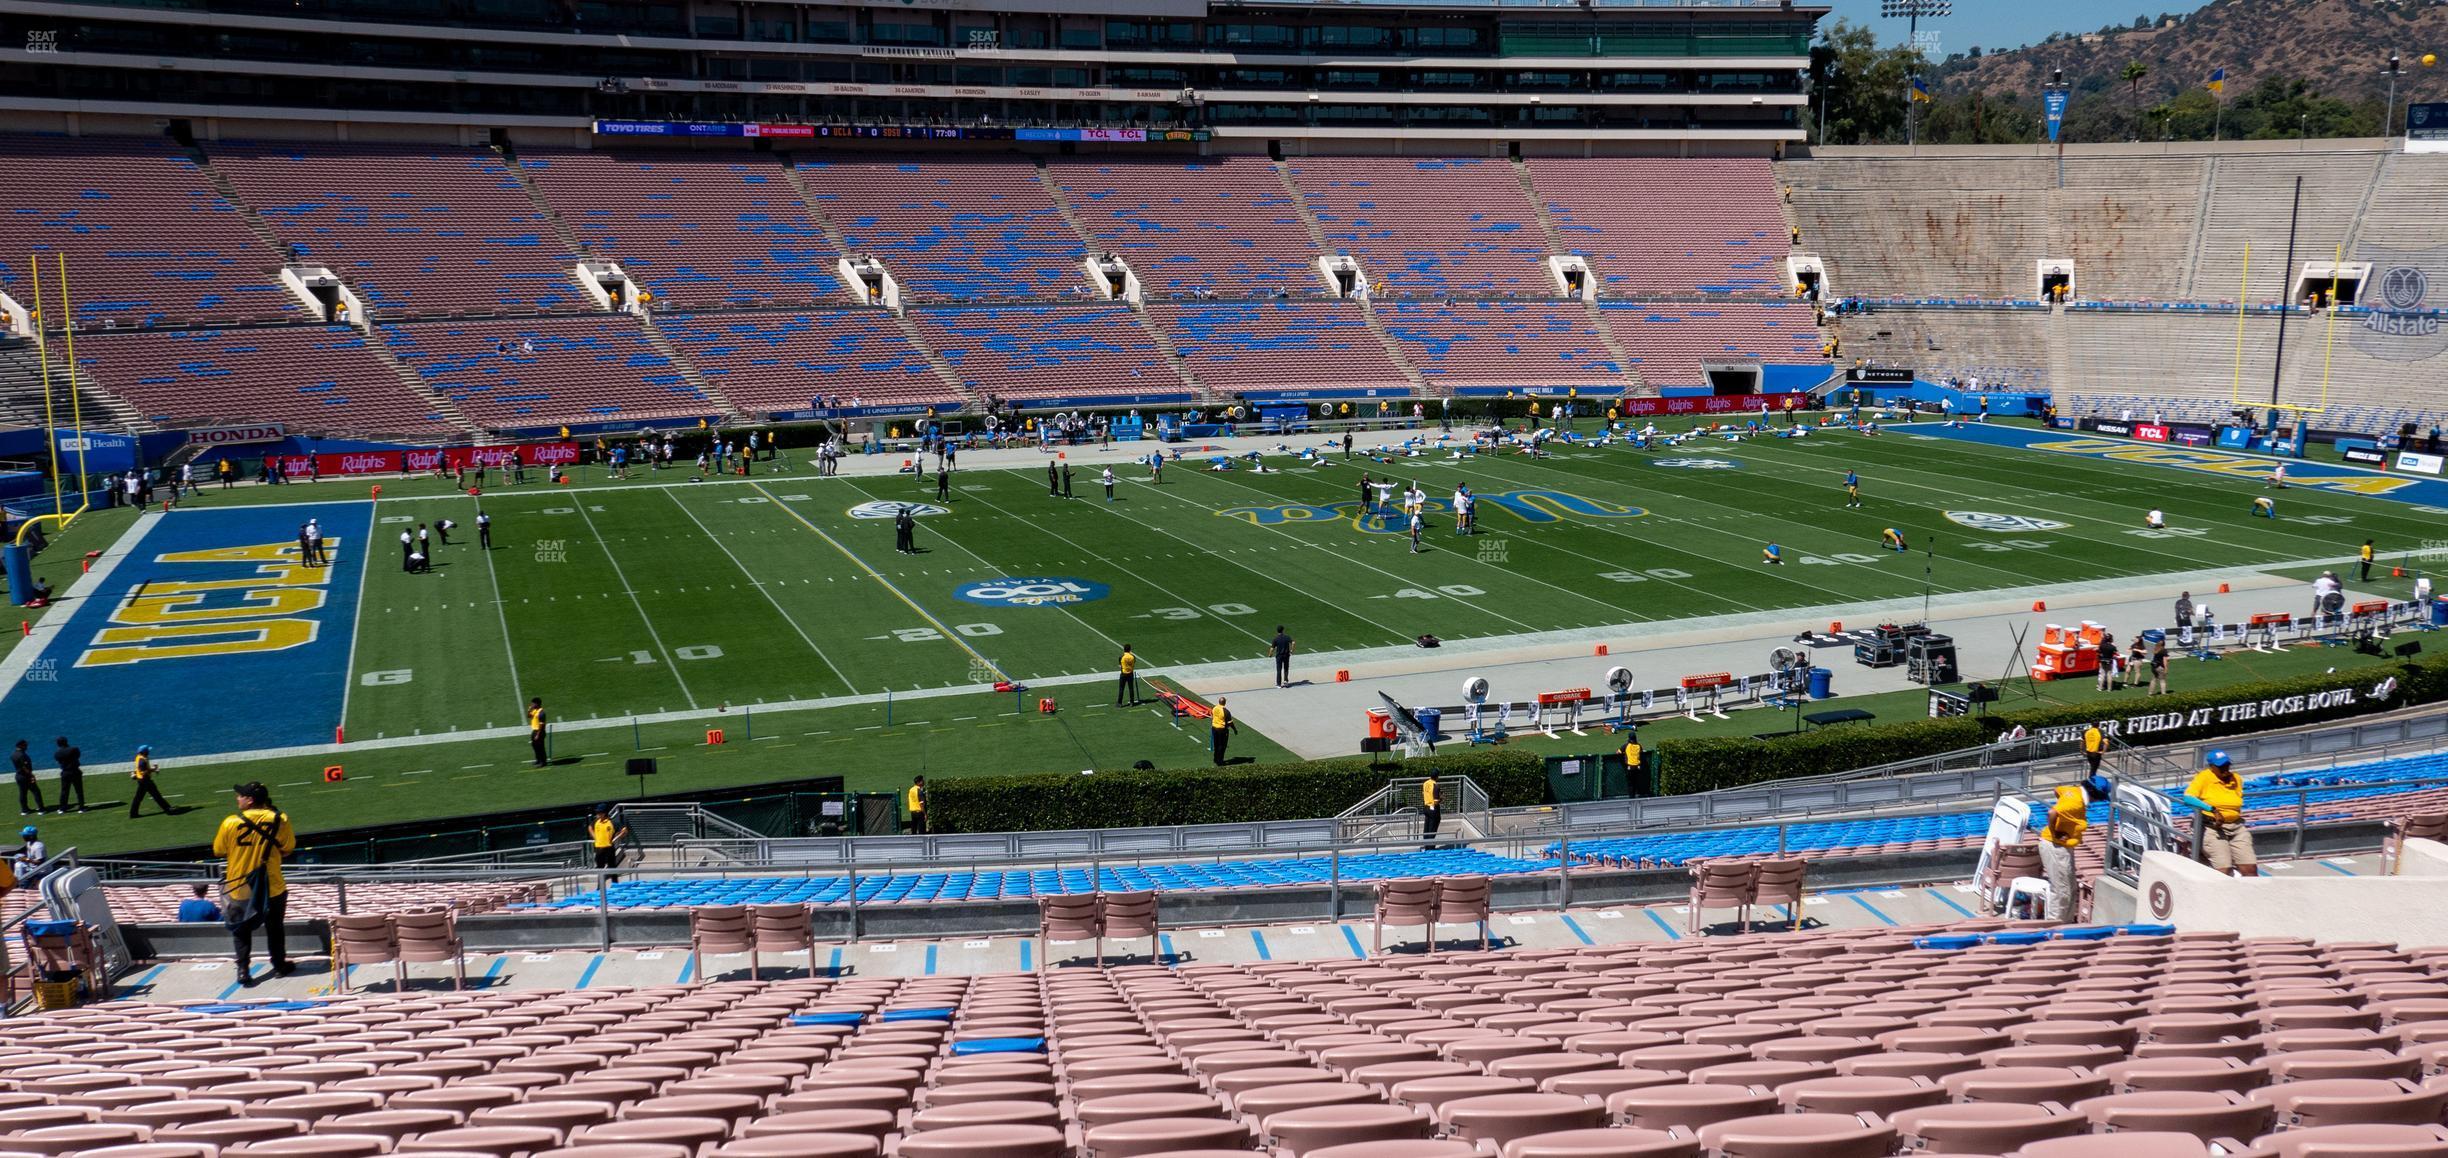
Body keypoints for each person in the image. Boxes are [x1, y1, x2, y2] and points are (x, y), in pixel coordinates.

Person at [214, 782, 296, 985]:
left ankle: (243, 970)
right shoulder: (279, 819)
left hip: (240, 885)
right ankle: (279, 965)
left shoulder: (230, 822)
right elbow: (288, 847)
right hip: (272, 884)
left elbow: (218, 850)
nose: (237, 798)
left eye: (240, 795)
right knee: (275, 928)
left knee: (240, 929)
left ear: (250, 800)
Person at [2182, 752, 2255, 876]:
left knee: (2250, 869)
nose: (2225, 769)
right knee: (2224, 870)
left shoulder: (2236, 778)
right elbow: (2188, 798)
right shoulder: (2204, 777)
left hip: (2236, 826)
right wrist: (2213, 810)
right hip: (2213, 827)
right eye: (2221, 766)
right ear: (2212, 767)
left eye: (2227, 765)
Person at [2038, 780, 2097, 923]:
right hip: (2056, 847)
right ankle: (2054, 926)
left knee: (2070, 888)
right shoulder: (2075, 802)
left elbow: (2057, 789)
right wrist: (2055, 832)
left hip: (2063, 847)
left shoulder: (2073, 791)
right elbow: (2052, 812)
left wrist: (2064, 821)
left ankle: (2067, 924)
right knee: (2062, 891)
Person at [128, 745, 172, 818]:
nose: (149, 751)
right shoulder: (142, 761)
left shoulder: (139, 757)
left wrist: (135, 774)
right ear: (144, 752)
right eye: (147, 750)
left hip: (142, 780)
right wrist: (153, 769)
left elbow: (140, 770)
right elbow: (143, 772)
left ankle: (133, 814)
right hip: (145, 781)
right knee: (156, 796)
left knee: (140, 798)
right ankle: (168, 810)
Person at [588, 807, 627, 879]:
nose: (597, 814)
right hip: (599, 849)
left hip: (609, 848)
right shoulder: (596, 821)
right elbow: (590, 827)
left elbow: (624, 830)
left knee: (612, 868)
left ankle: (615, 885)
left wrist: (616, 838)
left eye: (599, 813)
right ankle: (600, 887)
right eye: (597, 813)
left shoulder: (612, 822)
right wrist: (595, 837)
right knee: (600, 870)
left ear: (604, 813)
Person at [51, 737, 83, 812]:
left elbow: (58, 760)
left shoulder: (57, 753)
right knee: (79, 790)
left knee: (64, 791)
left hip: (65, 772)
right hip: (75, 771)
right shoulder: (74, 749)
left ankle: (62, 808)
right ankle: (81, 807)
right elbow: (77, 756)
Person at [12, 740, 42, 816]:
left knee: (23, 793)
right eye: (25, 745)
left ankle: (24, 810)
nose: (26, 747)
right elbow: (24, 767)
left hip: (19, 776)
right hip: (26, 776)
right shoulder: (22, 755)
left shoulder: (13, 754)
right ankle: (41, 809)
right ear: (21, 746)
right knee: (36, 792)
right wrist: (31, 775)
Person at [1209, 698, 1238, 767]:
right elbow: (1230, 723)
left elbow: (1212, 716)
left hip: (1214, 728)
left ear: (1219, 702)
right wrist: (1235, 730)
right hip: (1222, 730)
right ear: (1225, 703)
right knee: (1222, 745)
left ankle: (1215, 759)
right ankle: (1220, 761)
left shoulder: (1214, 708)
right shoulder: (1226, 711)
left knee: (1216, 744)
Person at [527, 698, 548, 767]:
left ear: (537, 704)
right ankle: (538, 759)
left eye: (533, 703)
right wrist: (529, 710)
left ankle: (543, 762)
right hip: (534, 731)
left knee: (540, 747)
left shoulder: (541, 713)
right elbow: (529, 716)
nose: (531, 705)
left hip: (539, 731)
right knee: (535, 746)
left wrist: (538, 735)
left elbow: (542, 725)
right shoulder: (534, 710)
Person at [1420, 774, 1441, 842]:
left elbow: (1424, 793)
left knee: (1427, 826)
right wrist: (1442, 799)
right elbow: (1436, 801)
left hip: (1426, 807)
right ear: (1437, 777)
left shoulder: (1425, 783)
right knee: (1433, 827)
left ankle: (1426, 844)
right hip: (1433, 809)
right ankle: (1430, 846)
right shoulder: (1435, 785)